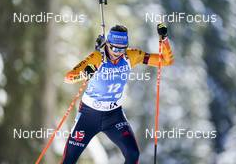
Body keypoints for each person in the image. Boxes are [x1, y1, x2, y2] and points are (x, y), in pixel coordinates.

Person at [61, 24, 174, 164]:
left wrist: (164, 39)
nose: (117, 53)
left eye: (122, 49)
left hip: (113, 116)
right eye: (114, 48)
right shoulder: (97, 57)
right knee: (69, 160)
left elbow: (165, 60)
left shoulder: (131, 56)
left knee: (133, 154)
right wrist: (84, 74)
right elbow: (68, 77)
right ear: (107, 44)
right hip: (89, 116)